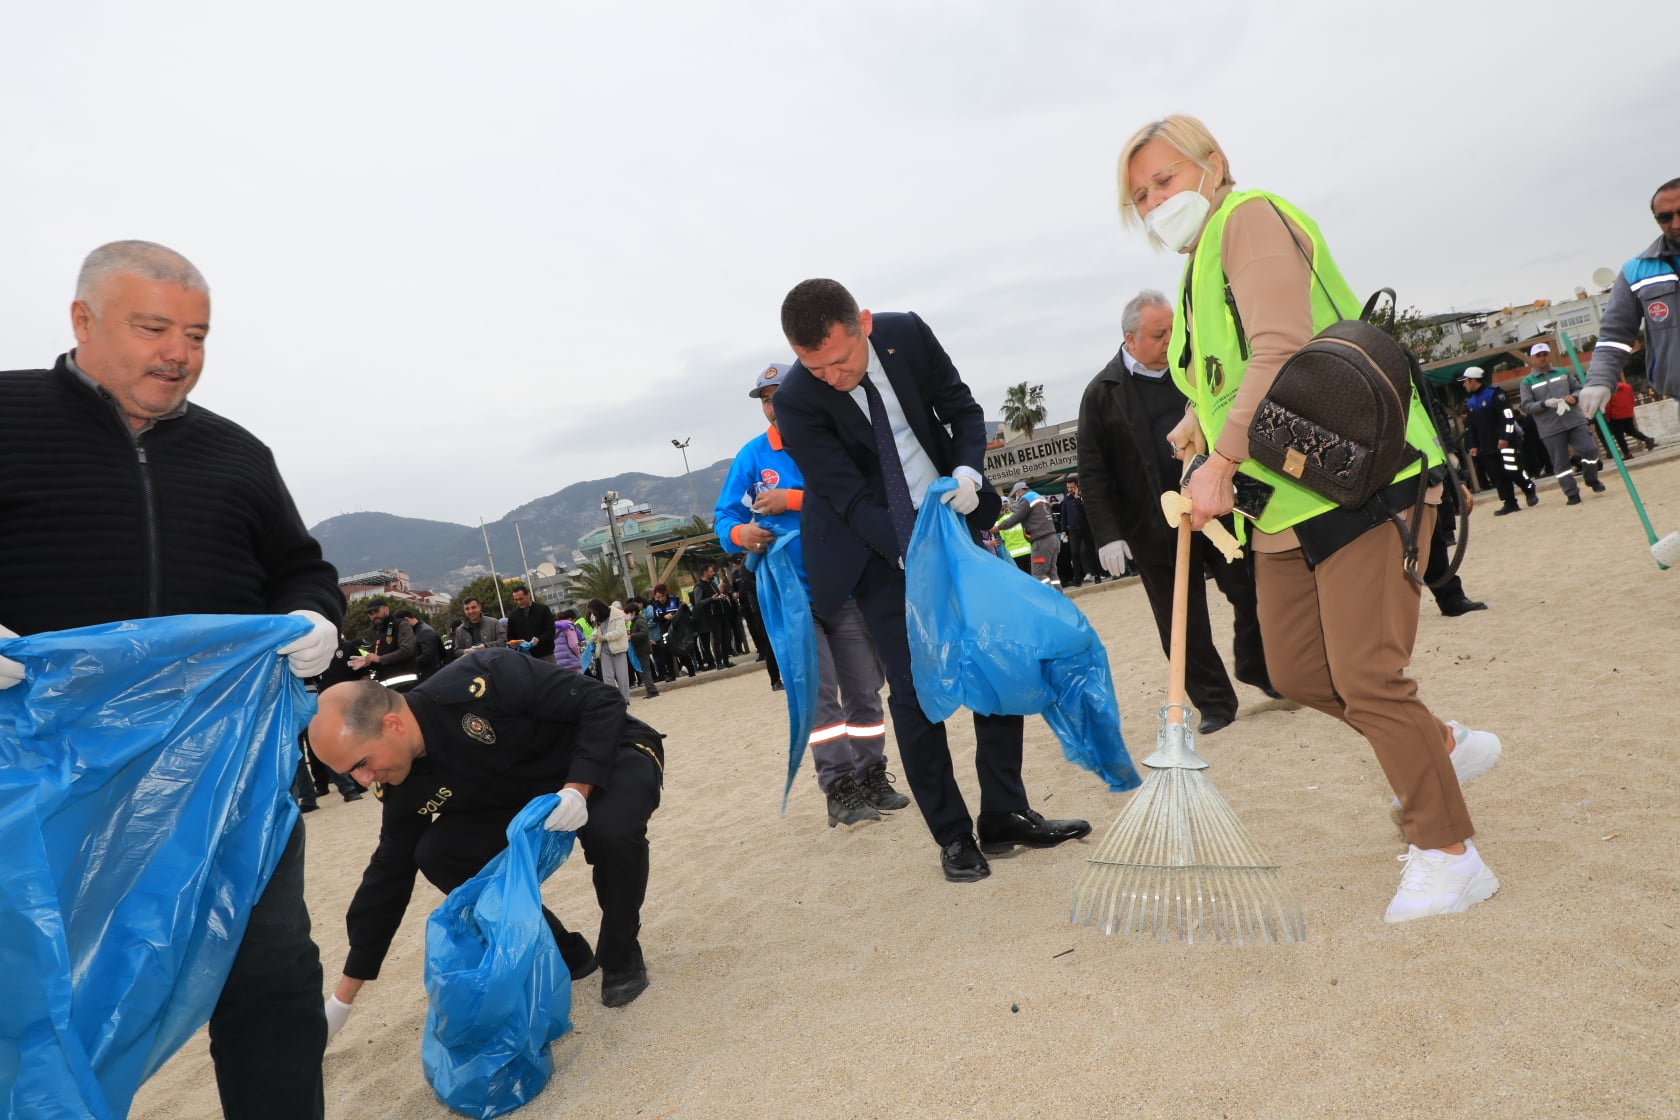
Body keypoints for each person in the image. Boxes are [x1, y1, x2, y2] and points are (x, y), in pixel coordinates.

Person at [1119, 115, 1502, 922]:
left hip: (1364, 473)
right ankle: (1436, 746)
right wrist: (1196, 428)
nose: (1156, 201)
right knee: (1294, 671)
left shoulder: (1248, 218)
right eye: (1141, 193)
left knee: (1367, 675)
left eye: (1165, 178)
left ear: (1212, 163)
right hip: (1289, 498)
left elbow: (1282, 347)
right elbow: (1222, 377)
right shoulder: (1194, 271)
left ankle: (1449, 852)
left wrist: (1222, 460)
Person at [0, 240, 343, 1117]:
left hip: (222, 787)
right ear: (83, 320)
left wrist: (315, 619)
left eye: (196, 334)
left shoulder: (237, 453)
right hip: (36, 790)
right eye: (153, 328)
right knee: (29, 1003)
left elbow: (300, 568)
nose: (178, 354)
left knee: (271, 981)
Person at [771, 278, 1090, 882]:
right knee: (917, 693)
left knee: (996, 665)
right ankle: (952, 835)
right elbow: (848, 497)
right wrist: (919, 550)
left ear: (863, 323)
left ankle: (1004, 815)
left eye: (840, 361)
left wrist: (969, 475)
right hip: (875, 553)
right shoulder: (796, 400)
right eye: (816, 368)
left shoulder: (906, 334)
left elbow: (962, 409)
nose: (832, 377)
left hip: (954, 517)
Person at [310, 648, 664, 1031]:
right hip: (524, 795)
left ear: (393, 725)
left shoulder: (485, 676)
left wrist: (578, 789)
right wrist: (340, 1003)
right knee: (435, 852)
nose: (363, 781)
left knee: (611, 830)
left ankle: (620, 952)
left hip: (605, 752)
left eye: (361, 764)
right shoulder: (402, 782)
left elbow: (602, 701)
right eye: (349, 773)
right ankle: (565, 953)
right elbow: (388, 874)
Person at [713, 360, 910, 826]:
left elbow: (859, 494)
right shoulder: (753, 457)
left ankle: (872, 776)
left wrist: (792, 500)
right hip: (791, 594)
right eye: (764, 399)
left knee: (864, 688)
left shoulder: (828, 438)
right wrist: (742, 534)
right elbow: (724, 517)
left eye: (778, 394)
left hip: (844, 585)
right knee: (819, 695)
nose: (772, 405)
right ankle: (838, 787)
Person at [1077, 288, 1278, 735]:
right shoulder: (1101, 395)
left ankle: (1257, 665)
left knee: (1252, 590)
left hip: (1219, 507)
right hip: (1153, 527)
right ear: (1130, 339)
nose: (1170, 339)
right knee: (1181, 621)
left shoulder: (1194, 370)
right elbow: (1093, 473)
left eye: (1172, 329)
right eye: (1158, 334)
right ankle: (1215, 704)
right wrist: (1108, 534)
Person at [1581, 178, 1680, 419]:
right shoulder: (1637, 272)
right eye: (1665, 217)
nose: (1676, 223)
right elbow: (1615, 336)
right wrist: (1599, 379)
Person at [1518, 343, 1604, 506]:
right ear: (1532, 359)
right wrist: (1544, 404)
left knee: (1590, 449)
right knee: (1561, 463)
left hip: (1574, 420)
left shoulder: (1563, 373)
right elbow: (1526, 406)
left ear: (1549, 355)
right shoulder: (1527, 382)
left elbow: (1579, 389)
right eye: (1538, 355)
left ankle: (1592, 479)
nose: (1542, 358)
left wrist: (1574, 397)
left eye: (1545, 354)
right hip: (1550, 428)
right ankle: (1572, 493)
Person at [1460, 367, 1539, 516]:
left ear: (1472, 380)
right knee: (1497, 475)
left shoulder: (1495, 394)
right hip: (1487, 446)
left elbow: (1507, 417)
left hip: (1505, 442)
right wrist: (1472, 445)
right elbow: (1471, 426)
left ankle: (1529, 490)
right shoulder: (1470, 401)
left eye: (1465, 382)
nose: (1464, 385)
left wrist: (1505, 437)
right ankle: (1509, 503)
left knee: (1514, 470)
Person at [995, 481, 1062, 586]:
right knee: (1052, 573)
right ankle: (1059, 598)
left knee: (1038, 574)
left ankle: (1050, 598)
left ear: (1020, 491)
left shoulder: (1025, 499)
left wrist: (998, 528)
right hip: (1052, 538)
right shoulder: (1041, 498)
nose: (1016, 498)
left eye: (1016, 494)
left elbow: (1015, 518)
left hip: (1041, 541)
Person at [350, 601, 419, 687]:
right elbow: (380, 658)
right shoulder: (380, 632)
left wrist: (379, 659)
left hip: (405, 684)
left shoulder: (401, 624)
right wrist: (367, 662)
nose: (374, 616)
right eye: (371, 614)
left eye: (376, 611)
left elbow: (407, 650)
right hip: (387, 686)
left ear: (386, 610)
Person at [1602, 372, 1659, 460]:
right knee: (1631, 430)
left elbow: (1608, 405)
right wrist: (1630, 410)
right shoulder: (1627, 387)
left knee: (1619, 436)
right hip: (1627, 413)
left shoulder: (1609, 391)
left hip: (1615, 416)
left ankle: (1627, 453)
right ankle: (1647, 439)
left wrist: (1607, 416)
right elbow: (1631, 399)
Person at [1059, 478, 1104, 587]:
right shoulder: (1066, 500)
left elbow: (1086, 510)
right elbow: (1064, 516)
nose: (1070, 489)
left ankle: (1097, 574)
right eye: (1068, 487)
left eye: (1072, 487)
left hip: (1086, 528)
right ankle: (1077, 579)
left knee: (1090, 551)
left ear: (1077, 486)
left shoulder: (1083, 497)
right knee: (1074, 553)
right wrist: (1064, 530)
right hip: (1073, 530)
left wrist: (1078, 498)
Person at [587, 597, 633, 701]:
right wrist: (593, 637)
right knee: (608, 677)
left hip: (618, 649)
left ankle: (625, 699)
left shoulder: (616, 614)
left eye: (593, 611)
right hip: (603, 650)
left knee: (622, 676)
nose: (592, 614)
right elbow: (597, 630)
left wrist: (604, 637)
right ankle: (614, 700)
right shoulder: (597, 618)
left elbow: (620, 631)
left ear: (597, 608)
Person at [622, 598, 661, 700]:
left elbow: (644, 633)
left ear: (633, 612)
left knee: (645, 671)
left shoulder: (640, 620)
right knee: (643, 670)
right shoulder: (635, 620)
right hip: (639, 648)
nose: (627, 616)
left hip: (642, 649)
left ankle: (652, 690)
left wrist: (631, 636)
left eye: (628, 613)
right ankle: (651, 690)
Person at [505, 584, 556, 661]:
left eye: (521, 599)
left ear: (528, 595)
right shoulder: (513, 616)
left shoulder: (543, 610)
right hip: (525, 657)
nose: (519, 602)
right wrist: (514, 644)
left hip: (545, 654)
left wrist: (539, 640)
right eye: (516, 600)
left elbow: (551, 631)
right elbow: (510, 637)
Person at [395, 609, 444, 681]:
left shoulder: (425, 632)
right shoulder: (416, 631)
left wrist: (407, 665)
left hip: (431, 677)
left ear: (406, 620)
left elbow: (428, 655)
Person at [451, 596, 500, 661]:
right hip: (474, 666)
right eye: (467, 609)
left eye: (473, 607)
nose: (470, 611)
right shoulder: (460, 630)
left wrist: (485, 646)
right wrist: (465, 651)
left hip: (494, 662)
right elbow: (457, 650)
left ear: (479, 607)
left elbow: (503, 641)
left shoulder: (494, 623)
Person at [553, 607, 585, 674]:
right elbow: (573, 645)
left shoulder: (553, 628)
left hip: (557, 662)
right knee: (580, 682)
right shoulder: (569, 626)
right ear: (570, 619)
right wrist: (579, 656)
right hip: (570, 661)